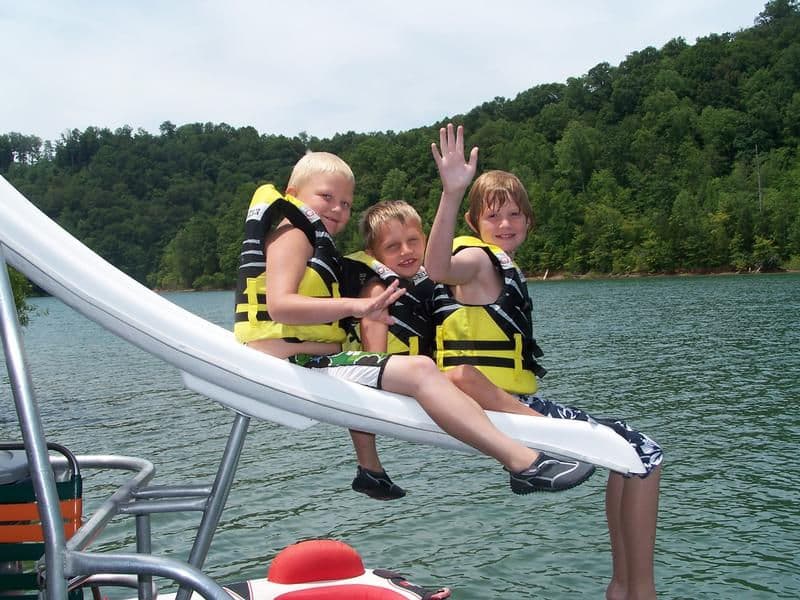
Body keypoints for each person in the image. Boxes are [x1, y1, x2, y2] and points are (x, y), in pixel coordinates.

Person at [233, 151, 595, 500]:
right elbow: (280, 306)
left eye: (346, 203)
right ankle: (524, 461)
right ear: (293, 194)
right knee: (422, 369)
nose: (337, 209)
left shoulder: (307, 237)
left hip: (313, 360)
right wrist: (361, 306)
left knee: (447, 373)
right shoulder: (293, 232)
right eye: (327, 197)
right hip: (297, 363)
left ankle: (530, 449)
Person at [424, 124, 663, 600]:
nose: (506, 223)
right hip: (495, 403)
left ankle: (626, 585)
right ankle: (636, 589)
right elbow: (438, 268)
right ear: (475, 224)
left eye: (515, 214)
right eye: (493, 216)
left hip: (503, 397)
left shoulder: (501, 266)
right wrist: (451, 194)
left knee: (632, 454)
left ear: (529, 221)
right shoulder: (477, 261)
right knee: (645, 454)